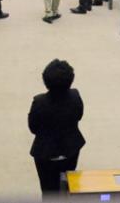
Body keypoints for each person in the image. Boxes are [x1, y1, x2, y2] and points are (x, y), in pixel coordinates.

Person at [28, 59, 85, 197]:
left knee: (48, 190)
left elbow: (33, 127)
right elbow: (79, 115)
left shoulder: (39, 102)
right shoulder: (75, 96)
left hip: (45, 153)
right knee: (67, 186)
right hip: (70, 149)